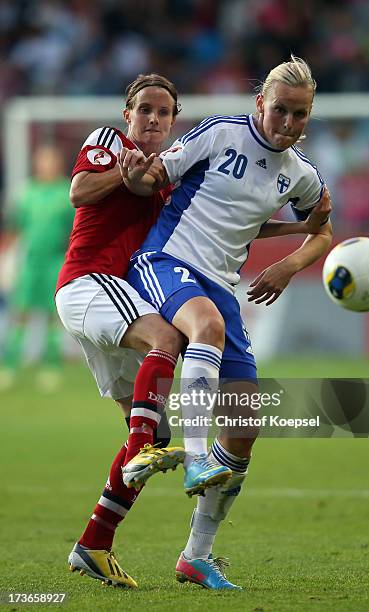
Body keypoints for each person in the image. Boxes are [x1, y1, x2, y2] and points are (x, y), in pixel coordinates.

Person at [118, 56, 333, 590]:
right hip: (167, 261)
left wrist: (288, 265)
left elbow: (324, 229)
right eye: (279, 110)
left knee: (243, 428)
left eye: (299, 115)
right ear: (260, 103)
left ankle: (196, 556)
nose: (287, 124)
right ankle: (193, 458)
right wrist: (138, 177)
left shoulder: (301, 175)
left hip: (221, 286)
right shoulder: (218, 134)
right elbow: (156, 178)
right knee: (206, 328)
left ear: (309, 115)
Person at [55, 74, 188, 589]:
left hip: (110, 298)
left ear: (174, 122)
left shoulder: (169, 175)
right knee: (168, 340)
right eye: (145, 110)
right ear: (127, 114)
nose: (153, 119)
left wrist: (295, 228)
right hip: (89, 282)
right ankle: (143, 446)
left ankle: (94, 544)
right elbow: (79, 191)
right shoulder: (109, 143)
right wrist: (124, 172)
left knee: (153, 429)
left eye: (163, 113)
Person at [0, 144, 73, 392]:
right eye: (43, 160)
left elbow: (75, 232)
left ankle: (51, 366)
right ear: (36, 163)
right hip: (30, 262)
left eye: (51, 160)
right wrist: (6, 260)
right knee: (20, 314)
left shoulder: (67, 193)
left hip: (56, 261)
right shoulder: (26, 192)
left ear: (58, 164)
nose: (47, 165)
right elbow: (13, 228)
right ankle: (9, 365)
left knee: (55, 315)